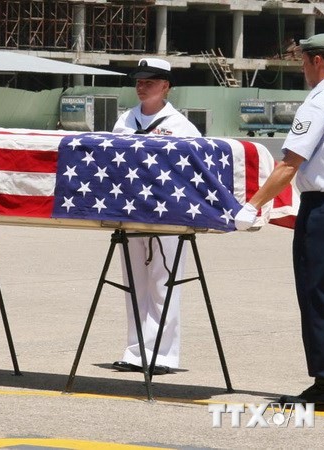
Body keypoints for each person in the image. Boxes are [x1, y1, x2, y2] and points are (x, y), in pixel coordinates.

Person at [235, 33, 324, 412]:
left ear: (318, 61)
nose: (302, 67)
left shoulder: (318, 104)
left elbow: (289, 164)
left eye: (304, 60)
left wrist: (253, 204)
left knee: (317, 296)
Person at [112, 58, 201, 375]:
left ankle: (162, 355)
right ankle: (135, 351)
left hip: (168, 214)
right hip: (130, 211)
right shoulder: (124, 120)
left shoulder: (181, 126)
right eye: (138, 81)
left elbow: (194, 171)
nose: (141, 86)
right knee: (134, 283)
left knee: (164, 284)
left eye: (149, 81)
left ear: (165, 86)